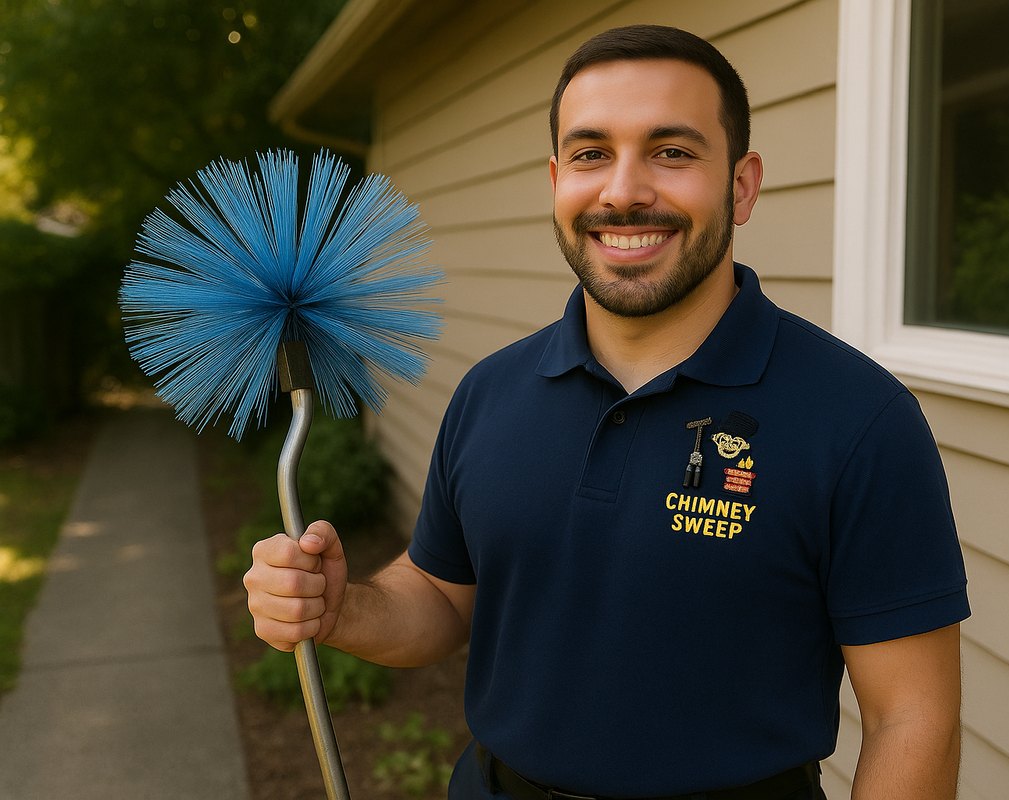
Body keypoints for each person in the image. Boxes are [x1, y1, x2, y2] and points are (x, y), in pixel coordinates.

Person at [244, 24, 969, 800]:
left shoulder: (858, 420)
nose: (623, 192)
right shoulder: (489, 394)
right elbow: (444, 595)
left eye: (672, 151)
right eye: (592, 154)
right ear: (557, 181)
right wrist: (341, 609)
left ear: (742, 185)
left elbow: (912, 719)